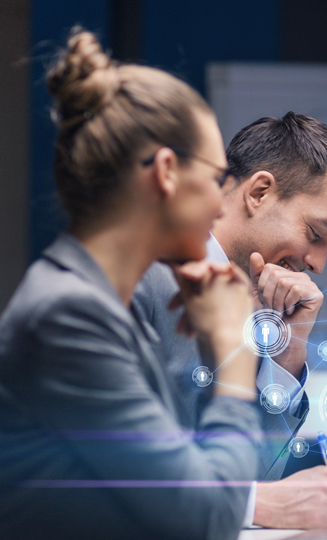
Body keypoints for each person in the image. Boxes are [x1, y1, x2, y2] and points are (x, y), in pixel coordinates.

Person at [0, 29, 260, 538]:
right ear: (166, 172)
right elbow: (205, 520)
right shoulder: (68, 316)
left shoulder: (101, 307)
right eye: (215, 179)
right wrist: (234, 351)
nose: (219, 205)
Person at [133, 112, 327, 529]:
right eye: (315, 233)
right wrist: (253, 505)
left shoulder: (256, 309)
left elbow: (253, 476)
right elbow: (97, 464)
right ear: (258, 192)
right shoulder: (141, 276)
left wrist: (289, 352)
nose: (318, 263)